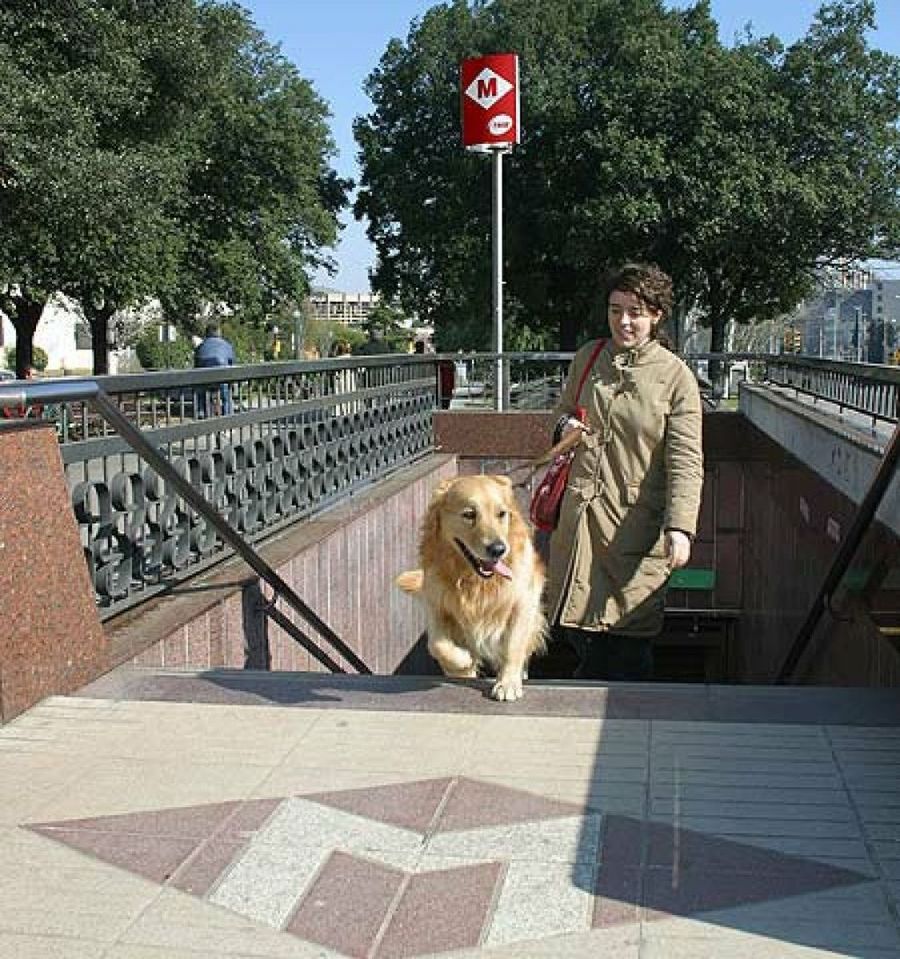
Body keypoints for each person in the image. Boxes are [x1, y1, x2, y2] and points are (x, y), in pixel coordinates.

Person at [545, 263, 704, 681]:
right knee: (575, 627)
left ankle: (622, 729)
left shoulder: (675, 377)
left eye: (635, 311)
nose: (624, 321)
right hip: (579, 524)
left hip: (634, 528)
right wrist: (565, 427)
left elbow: (686, 460)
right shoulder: (590, 357)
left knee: (627, 642)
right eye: (615, 310)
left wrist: (680, 526)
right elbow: (561, 412)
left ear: (656, 315)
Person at [193, 323, 236, 417]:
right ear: (219, 332)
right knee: (226, 395)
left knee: (200, 392)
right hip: (222, 378)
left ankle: (201, 412)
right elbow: (232, 362)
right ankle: (228, 416)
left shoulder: (200, 347)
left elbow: (196, 365)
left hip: (205, 378)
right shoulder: (227, 345)